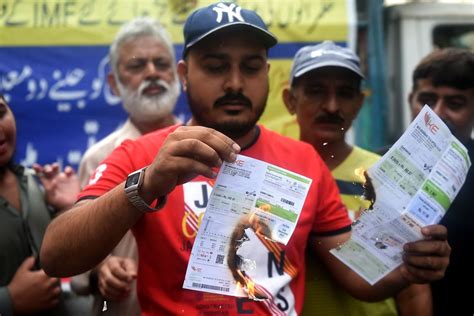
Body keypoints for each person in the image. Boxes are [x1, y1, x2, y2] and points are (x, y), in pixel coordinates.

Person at [40, 3, 451, 315]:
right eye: (216, 67)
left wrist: (407, 267)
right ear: (184, 74)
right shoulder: (143, 155)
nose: (235, 83)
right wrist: (145, 185)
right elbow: (57, 255)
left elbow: (356, 276)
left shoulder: (304, 161)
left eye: (250, 68)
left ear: (267, 73)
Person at [283, 41, 432, 316]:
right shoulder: (275, 171)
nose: (331, 106)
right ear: (290, 100)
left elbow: (413, 289)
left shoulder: (387, 175)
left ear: (359, 103)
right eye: (316, 92)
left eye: (345, 93)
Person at [72, 17, 181, 316]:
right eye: (136, 66)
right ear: (114, 84)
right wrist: (101, 269)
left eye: (161, 63)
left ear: (178, 74)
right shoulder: (99, 159)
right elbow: (75, 258)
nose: (152, 73)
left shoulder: (204, 148)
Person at [0, 94, 84, 315]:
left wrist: (65, 210)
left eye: (1, 114)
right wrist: (9, 300)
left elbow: (64, 261)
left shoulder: (30, 182)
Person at [407, 48, 474, 316]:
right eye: (426, 100)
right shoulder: (373, 166)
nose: (437, 113)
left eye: (454, 103)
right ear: (410, 99)